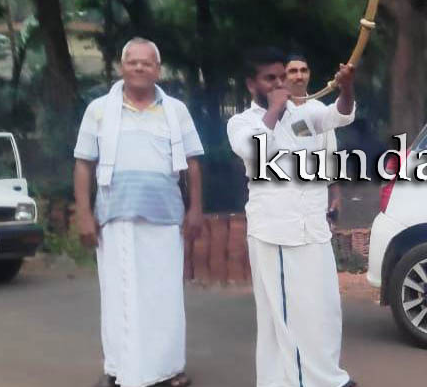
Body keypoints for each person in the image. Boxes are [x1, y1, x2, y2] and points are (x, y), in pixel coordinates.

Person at [74, 38, 204, 387]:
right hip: (115, 215)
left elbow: (192, 163)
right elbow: (84, 164)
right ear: (122, 67)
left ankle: (168, 368)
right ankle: (120, 369)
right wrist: (84, 214)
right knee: (119, 295)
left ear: (157, 70)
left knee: (165, 295)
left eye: (147, 63)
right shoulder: (99, 110)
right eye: (132, 62)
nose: (139, 67)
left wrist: (195, 210)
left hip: (166, 216)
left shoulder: (175, 110)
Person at [227, 47, 357, 387]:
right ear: (251, 84)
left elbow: (340, 116)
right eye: (269, 78)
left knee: (322, 310)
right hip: (277, 233)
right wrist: (274, 108)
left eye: (281, 76)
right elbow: (254, 150)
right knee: (288, 315)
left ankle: (321, 377)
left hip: (312, 228)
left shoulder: (305, 113)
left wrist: (346, 88)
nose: (279, 83)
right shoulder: (242, 122)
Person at [285, 53, 341, 228]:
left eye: (303, 70)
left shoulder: (319, 110)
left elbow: (330, 156)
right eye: (293, 71)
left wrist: (335, 197)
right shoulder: (274, 112)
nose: (299, 76)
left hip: (314, 202)